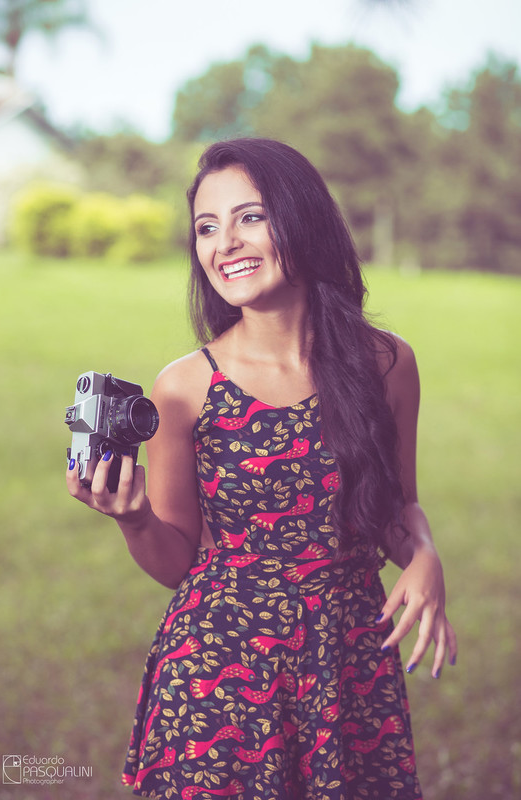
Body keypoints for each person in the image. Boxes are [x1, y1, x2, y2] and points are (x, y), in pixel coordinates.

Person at [67, 137, 457, 800]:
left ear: (300, 218)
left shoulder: (386, 364)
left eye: (249, 217)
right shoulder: (185, 387)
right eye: (206, 228)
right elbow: (176, 562)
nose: (225, 244)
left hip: (349, 666)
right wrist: (133, 520)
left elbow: (390, 508)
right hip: (218, 674)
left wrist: (423, 555)